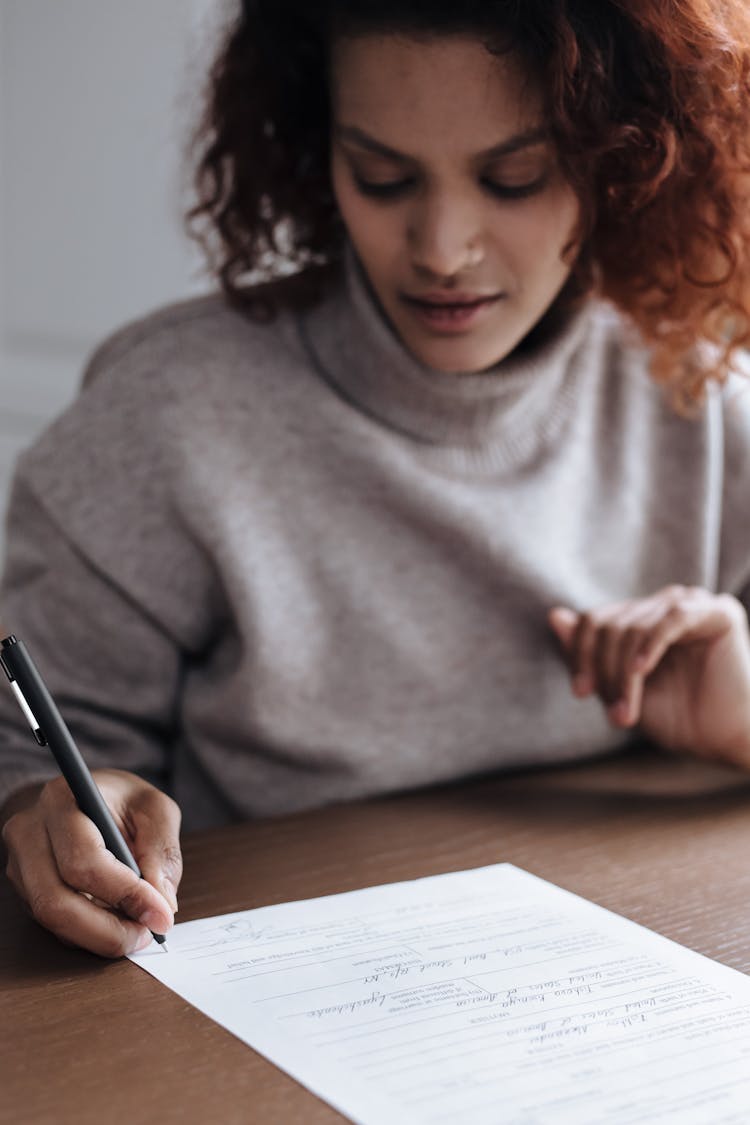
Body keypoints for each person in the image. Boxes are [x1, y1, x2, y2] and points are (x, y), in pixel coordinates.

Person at [2, 0, 750, 959]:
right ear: (317, 150)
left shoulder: (697, 393)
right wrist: (49, 802)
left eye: (514, 178)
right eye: (383, 175)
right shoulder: (164, 414)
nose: (442, 248)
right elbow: (30, 744)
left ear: (623, 157)